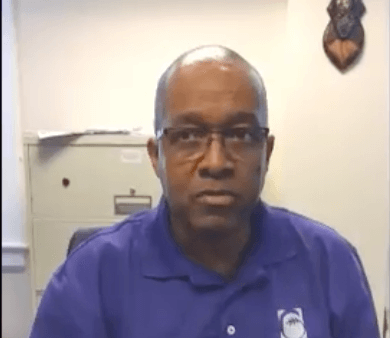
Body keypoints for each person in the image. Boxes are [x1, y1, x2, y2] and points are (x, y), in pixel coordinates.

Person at [29, 45, 380, 337]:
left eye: (241, 134)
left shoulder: (330, 263)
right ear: (156, 156)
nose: (215, 161)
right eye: (188, 136)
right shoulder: (90, 276)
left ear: (266, 152)